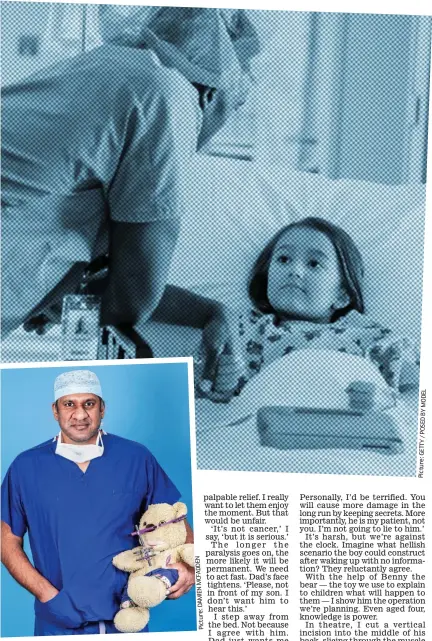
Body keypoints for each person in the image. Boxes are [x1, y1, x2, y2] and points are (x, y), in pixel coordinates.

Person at [1, 7, 260, 338]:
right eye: (232, 107)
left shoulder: (102, 65)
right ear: (211, 93)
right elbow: (133, 298)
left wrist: (211, 311)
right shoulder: (167, 97)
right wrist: (64, 306)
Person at [1, 370, 194, 636]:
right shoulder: (26, 467)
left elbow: (175, 522)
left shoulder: (136, 458)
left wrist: (186, 568)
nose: (79, 415)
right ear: (54, 410)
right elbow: (7, 540)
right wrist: (48, 596)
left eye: (88, 404)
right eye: (69, 404)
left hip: (129, 618)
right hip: (59, 623)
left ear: (102, 408)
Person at [157, 217, 420, 400]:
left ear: (342, 295)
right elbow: (204, 388)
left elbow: (419, 397)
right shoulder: (241, 329)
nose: (294, 270)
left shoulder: (369, 337)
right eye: (283, 259)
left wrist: (387, 403)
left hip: (343, 438)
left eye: (314, 264)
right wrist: (214, 383)